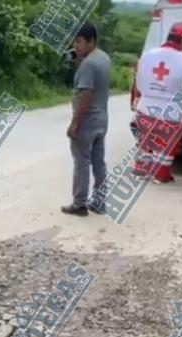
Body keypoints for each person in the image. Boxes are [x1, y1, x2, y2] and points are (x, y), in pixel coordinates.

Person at [134, 24, 182, 183]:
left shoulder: (146, 55)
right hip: (170, 114)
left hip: (144, 109)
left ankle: (142, 170)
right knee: (166, 147)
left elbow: (137, 79)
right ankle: (161, 176)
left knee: (146, 142)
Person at [62, 22, 111, 217]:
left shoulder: (88, 64)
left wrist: (75, 123)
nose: (76, 46)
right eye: (75, 41)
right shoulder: (103, 58)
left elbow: (86, 95)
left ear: (90, 41)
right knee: (99, 162)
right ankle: (99, 201)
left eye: (80, 41)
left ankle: (79, 204)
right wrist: (79, 62)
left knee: (81, 162)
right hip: (101, 120)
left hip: (87, 122)